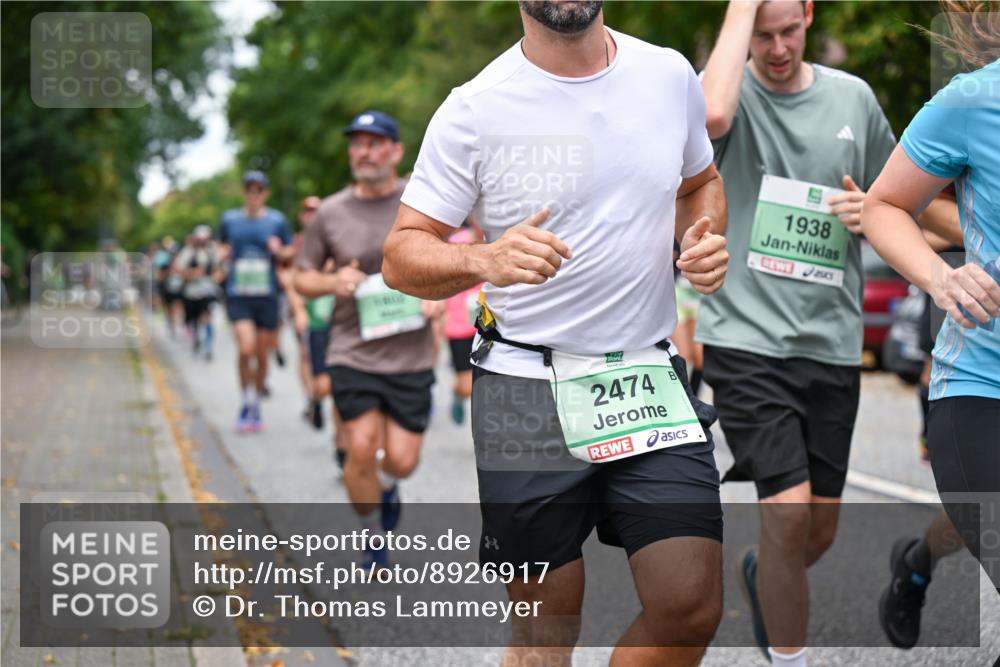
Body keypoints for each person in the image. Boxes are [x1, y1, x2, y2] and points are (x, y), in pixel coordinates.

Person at [382, 2, 730, 664]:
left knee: (689, 605)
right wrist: (481, 259)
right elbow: (401, 255)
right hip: (524, 389)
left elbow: (701, 182)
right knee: (546, 628)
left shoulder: (667, 75)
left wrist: (701, 235)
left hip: (646, 374)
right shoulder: (475, 109)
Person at [696, 2, 899, 664]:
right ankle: (791, 657)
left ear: (810, 13)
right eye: (762, 33)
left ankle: (761, 570)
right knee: (787, 511)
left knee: (815, 530)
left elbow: (904, 205)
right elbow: (709, 118)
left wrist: (871, 211)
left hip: (831, 343)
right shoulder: (727, 90)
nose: (777, 47)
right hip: (745, 337)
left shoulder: (853, 98)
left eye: (789, 30)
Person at [861, 2, 999, 648]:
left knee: (973, 515)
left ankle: (917, 560)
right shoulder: (974, 101)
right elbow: (884, 204)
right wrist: (942, 279)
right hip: (980, 383)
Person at [296, 111, 442, 567]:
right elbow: (301, 277)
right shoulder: (330, 213)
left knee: (401, 460)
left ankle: (388, 483)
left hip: (411, 354)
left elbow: (455, 257)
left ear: (396, 151)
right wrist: (330, 281)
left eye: (375, 142)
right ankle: (373, 532)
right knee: (359, 446)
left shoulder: (423, 201)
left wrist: (441, 294)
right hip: (351, 349)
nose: (364, 151)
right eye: (357, 142)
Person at [217, 170, 294, 433]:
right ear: (244, 192)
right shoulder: (229, 220)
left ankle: (256, 399)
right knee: (245, 348)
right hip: (239, 294)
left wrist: (279, 250)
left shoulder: (276, 221)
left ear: (265, 193)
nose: (254, 194)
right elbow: (220, 248)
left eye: (258, 190)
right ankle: (246, 399)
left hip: (267, 295)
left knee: (262, 355)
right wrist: (223, 254)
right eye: (250, 190)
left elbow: (290, 252)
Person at [443, 220, 483, 425]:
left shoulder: (502, 240)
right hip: (460, 326)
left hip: (491, 327)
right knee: (467, 386)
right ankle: (458, 395)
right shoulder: (456, 243)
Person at [175, 225, 221, 361]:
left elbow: (220, 269)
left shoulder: (212, 251)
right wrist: (191, 274)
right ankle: (196, 338)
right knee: (193, 318)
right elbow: (178, 268)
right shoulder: (188, 251)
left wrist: (214, 277)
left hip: (207, 290)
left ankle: (208, 346)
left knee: (208, 317)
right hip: (190, 291)